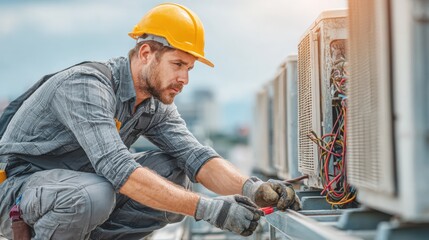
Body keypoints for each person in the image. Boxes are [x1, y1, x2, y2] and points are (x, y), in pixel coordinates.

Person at [0, 3, 300, 240]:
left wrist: (253, 190)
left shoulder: (153, 104)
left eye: (190, 68)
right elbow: (118, 169)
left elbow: (197, 158)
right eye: (178, 64)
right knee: (92, 194)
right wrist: (208, 209)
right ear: (146, 53)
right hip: (20, 189)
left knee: (173, 172)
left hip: (78, 191)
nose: (184, 78)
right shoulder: (86, 86)